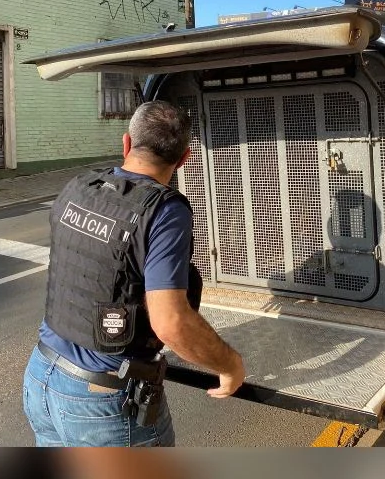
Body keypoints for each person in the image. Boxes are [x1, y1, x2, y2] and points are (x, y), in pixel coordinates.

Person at [22, 100, 245, 446]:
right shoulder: (165, 212)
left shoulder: (79, 187)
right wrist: (229, 365)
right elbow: (171, 322)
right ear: (184, 158)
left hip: (41, 379)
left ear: (126, 143)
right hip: (101, 400)